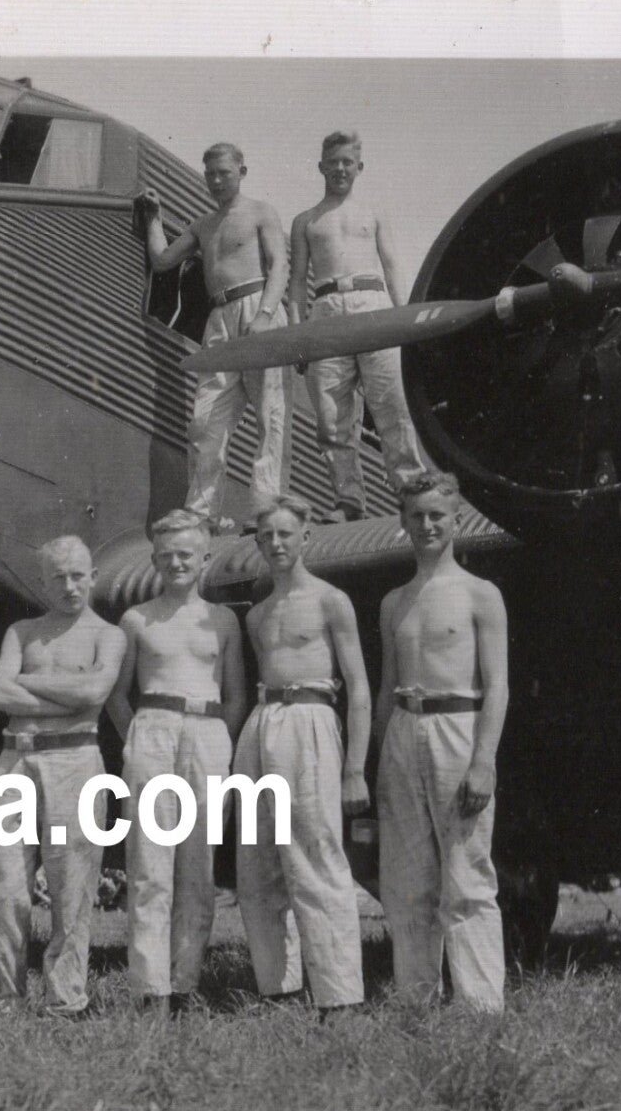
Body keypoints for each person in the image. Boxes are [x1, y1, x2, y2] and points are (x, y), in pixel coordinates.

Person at [0, 536, 127, 1016]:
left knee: (73, 884)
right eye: (58, 576)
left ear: (93, 577)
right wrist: (71, 695)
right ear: (42, 582)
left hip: (76, 760)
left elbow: (96, 691)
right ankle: (2, 999)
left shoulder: (109, 634)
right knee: (0, 885)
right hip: (14, 760)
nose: (69, 585)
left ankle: (65, 999)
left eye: (78, 574)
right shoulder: (22, 632)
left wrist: (29, 682)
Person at [374, 473, 509, 1012]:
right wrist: (379, 760)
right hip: (405, 730)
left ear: (456, 520)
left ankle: (479, 1005)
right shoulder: (394, 602)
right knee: (407, 877)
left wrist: (484, 761)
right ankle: (416, 999)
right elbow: (386, 686)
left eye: (437, 515)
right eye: (416, 516)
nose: (427, 525)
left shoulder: (481, 595)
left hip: (460, 726)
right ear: (403, 522)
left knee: (466, 874)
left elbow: (498, 685)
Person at [231, 497, 370, 1016]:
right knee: (258, 861)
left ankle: (339, 997)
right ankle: (279, 989)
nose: (277, 544)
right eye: (267, 537)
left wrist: (355, 767)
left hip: (312, 720)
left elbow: (357, 687)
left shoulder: (332, 600)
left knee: (316, 855)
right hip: (263, 724)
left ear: (306, 536)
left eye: (286, 534)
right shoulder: (259, 614)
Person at [108, 510, 246, 1014]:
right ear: (153, 560)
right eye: (166, 555)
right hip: (152, 729)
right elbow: (117, 694)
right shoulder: (137, 619)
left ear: (205, 556)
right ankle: (151, 990)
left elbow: (235, 695)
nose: (176, 563)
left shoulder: (223, 619)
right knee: (149, 866)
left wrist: (217, 742)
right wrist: (135, 741)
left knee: (197, 867)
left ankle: (184, 983)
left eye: (186, 554)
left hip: (207, 732)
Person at [138, 143, 290, 532]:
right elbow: (162, 260)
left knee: (269, 415)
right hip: (219, 318)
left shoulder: (261, 212)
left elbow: (279, 268)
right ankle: (201, 511)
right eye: (210, 174)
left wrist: (266, 315)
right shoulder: (202, 225)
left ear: (242, 170)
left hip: (258, 307)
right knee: (205, 420)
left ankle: (266, 509)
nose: (216, 181)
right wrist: (154, 219)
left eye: (224, 172)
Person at [288, 131, 436, 521]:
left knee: (392, 403)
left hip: (373, 303)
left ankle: (411, 490)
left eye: (347, 162)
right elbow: (296, 281)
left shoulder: (374, 212)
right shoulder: (305, 220)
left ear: (359, 167)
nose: (340, 169)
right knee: (331, 414)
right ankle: (349, 500)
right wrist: (297, 336)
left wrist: (405, 321)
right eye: (333, 162)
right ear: (321, 165)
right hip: (325, 309)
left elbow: (391, 265)